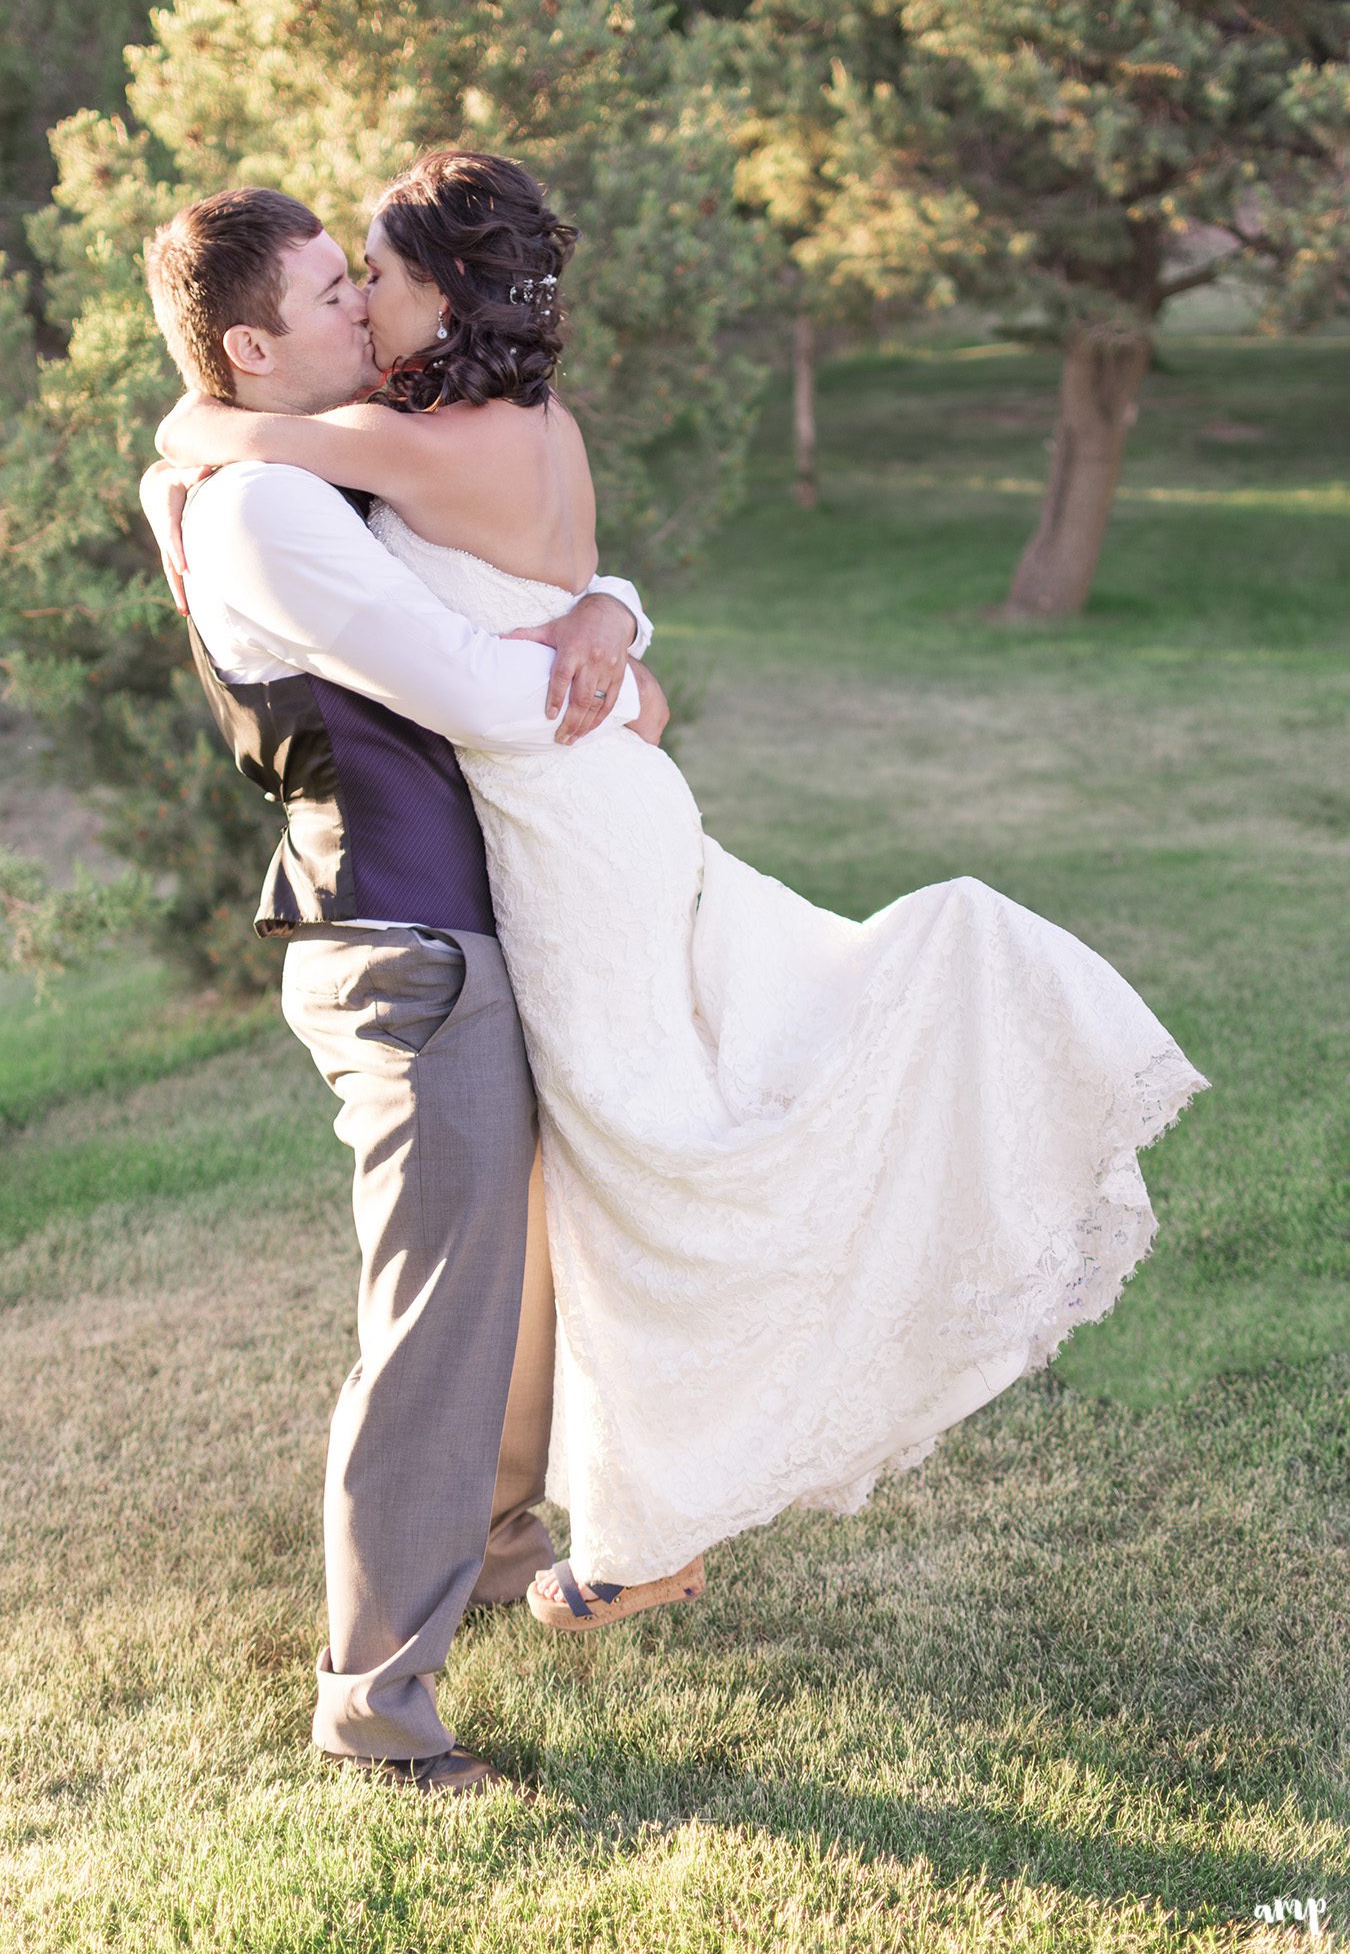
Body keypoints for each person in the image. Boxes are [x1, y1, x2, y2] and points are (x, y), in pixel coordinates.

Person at [154, 148, 1210, 1641]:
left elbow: (204, 428)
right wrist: (614, 622)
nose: (361, 300)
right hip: (591, 808)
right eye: (342, 284)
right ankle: (633, 1510)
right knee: (641, 1147)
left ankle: (659, 1520)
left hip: (572, 819)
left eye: (372, 276)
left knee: (644, 1161)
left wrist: (612, 659)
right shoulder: (490, 420)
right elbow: (564, 574)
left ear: (441, 294)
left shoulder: (395, 446)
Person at [142, 183, 668, 1796]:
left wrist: (604, 606)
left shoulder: (315, 464)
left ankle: (497, 1534)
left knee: (510, 1277)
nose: (360, 314)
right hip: (407, 944)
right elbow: (462, 685)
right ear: (250, 345)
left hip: (454, 927)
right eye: (325, 295)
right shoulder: (263, 511)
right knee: (434, 1325)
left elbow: (498, 581)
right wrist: (623, 693)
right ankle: (375, 1705)